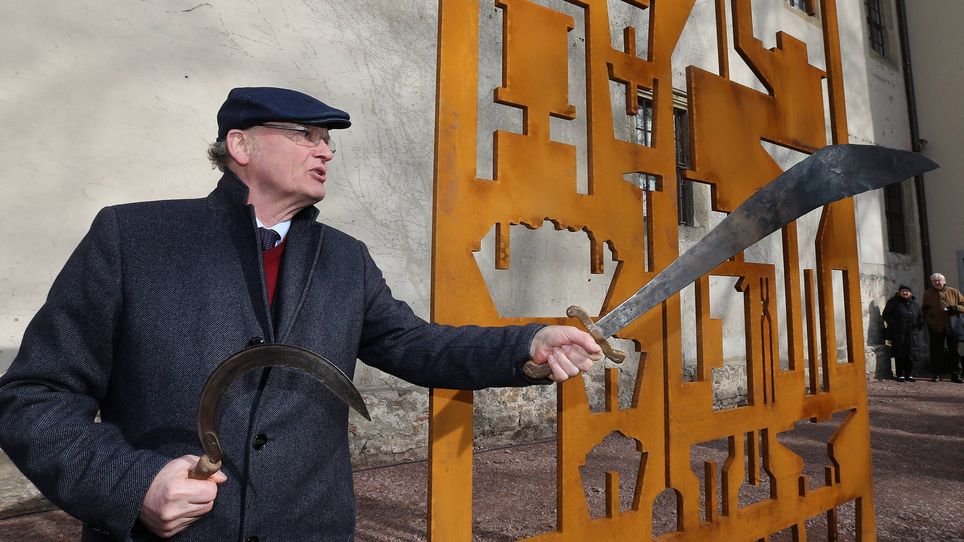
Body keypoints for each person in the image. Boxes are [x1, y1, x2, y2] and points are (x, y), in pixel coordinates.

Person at [0, 87, 604, 541]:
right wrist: (133, 486)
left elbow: (417, 345)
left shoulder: (344, 258)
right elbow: (36, 396)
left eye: (328, 141)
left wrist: (529, 344)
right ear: (240, 144)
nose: (325, 151)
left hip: (310, 526)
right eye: (304, 135)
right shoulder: (134, 237)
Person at [920, 272, 964, 383]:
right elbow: (924, 309)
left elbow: (963, 305)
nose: (937, 282)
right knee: (936, 351)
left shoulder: (953, 292)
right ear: (932, 283)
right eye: (935, 281)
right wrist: (929, 318)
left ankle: (956, 375)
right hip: (935, 326)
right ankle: (937, 374)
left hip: (951, 326)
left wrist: (956, 308)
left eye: (939, 280)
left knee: (954, 351)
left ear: (944, 281)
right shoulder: (928, 294)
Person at [882, 284, 924, 381]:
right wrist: (895, 323)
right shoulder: (893, 302)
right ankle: (900, 374)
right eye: (903, 291)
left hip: (912, 334)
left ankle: (909, 374)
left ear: (910, 293)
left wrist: (918, 326)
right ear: (899, 292)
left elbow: (921, 317)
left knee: (911, 354)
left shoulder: (915, 304)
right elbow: (886, 315)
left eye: (907, 291)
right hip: (898, 333)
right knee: (899, 353)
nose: (905, 293)